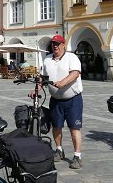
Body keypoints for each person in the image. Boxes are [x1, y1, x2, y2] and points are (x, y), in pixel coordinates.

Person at [39, 34, 84, 170]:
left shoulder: (72, 57)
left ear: (63, 45)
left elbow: (75, 73)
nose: (55, 46)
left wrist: (62, 83)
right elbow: (42, 77)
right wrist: (37, 89)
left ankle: (77, 156)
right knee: (56, 126)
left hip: (73, 100)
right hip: (55, 100)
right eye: (53, 44)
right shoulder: (47, 59)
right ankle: (59, 150)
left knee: (74, 129)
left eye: (58, 44)